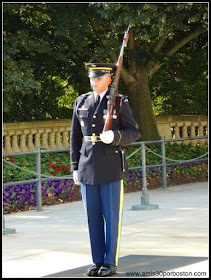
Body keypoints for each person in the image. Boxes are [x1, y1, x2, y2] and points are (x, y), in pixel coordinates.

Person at [70, 63, 139, 277]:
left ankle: (110, 261)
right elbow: (75, 137)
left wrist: (116, 137)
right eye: (92, 78)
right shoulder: (81, 101)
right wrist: (74, 166)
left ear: (109, 79)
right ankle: (97, 260)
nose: (94, 81)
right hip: (87, 166)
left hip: (110, 166)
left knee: (111, 216)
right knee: (92, 218)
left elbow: (133, 132)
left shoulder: (119, 102)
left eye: (99, 78)